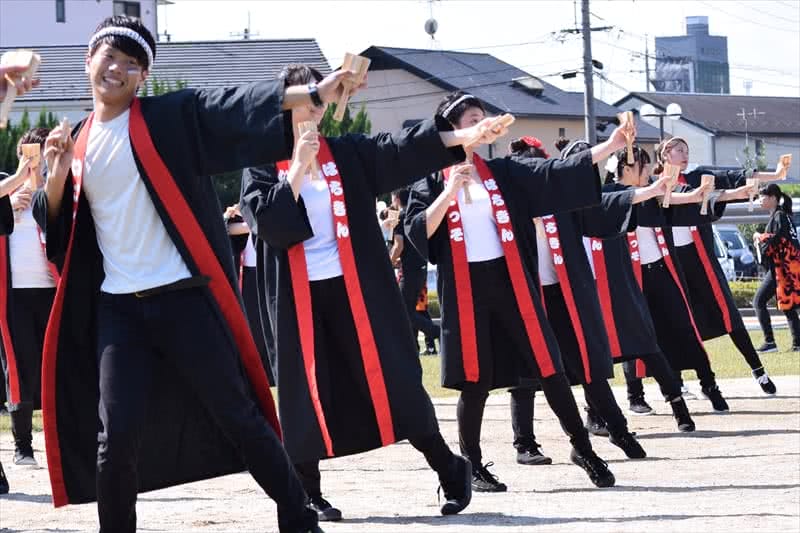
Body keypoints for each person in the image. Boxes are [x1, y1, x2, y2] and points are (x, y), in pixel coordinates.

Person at [31, 15, 364, 533]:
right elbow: (56, 228)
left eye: (132, 63)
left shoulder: (165, 118)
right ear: (88, 60)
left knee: (237, 415)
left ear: (143, 76)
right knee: (114, 438)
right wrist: (54, 180)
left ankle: (299, 519)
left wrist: (311, 91)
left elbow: (225, 108)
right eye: (109, 56)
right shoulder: (75, 140)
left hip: (182, 298)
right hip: (120, 307)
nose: (117, 69)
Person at [240, 65, 506, 520]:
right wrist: (299, 167)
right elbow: (267, 224)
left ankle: (449, 468)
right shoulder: (262, 163)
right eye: (300, 99)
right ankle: (308, 492)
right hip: (298, 299)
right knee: (306, 390)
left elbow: (402, 151)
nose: (309, 109)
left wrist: (464, 136)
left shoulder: (347, 154)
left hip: (357, 291)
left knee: (394, 378)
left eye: (316, 100)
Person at [405, 92, 629, 492]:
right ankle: (471, 464)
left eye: (484, 116)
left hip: (511, 283)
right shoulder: (430, 179)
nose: (483, 122)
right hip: (467, 289)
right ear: (454, 129)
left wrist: (609, 147)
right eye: (473, 118)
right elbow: (417, 231)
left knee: (550, 365)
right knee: (475, 380)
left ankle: (583, 448)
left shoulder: (503, 173)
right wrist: (449, 190)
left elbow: (554, 174)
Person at [505, 137, 678, 466]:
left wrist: (652, 191)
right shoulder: (508, 209)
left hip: (562, 294)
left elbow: (607, 206)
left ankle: (617, 428)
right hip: (528, 297)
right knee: (527, 374)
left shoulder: (561, 201)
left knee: (588, 364)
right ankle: (524, 443)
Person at [656, 136, 787, 394]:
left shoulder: (696, 177)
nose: (684, 154)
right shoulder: (655, 185)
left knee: (730, 314)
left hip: (700, 257)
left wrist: (773, 173)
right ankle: (682, 381)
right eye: (679, 150)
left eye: (687, 149)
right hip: (671, 263)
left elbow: (731, 176)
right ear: (665, 154)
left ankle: (758, 370)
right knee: (677, 321)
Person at [0, 128, 57, 467]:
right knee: (21, 368)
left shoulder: (55, 192)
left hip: (53, 291)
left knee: (58, 367)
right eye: (29, 155)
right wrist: (11, 204)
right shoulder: (7, 189)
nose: (34, 164)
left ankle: (62, 442)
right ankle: (23, 446)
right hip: (14, 295)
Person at [391, 188, 440, 353]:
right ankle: (413, 346)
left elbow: (399, 245)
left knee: (403, 311)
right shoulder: (415, 215)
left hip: (409, 272)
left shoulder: (400, 217)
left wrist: (388, 261)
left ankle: (436, 332)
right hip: (421, 268)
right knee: (411, 310)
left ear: (397, 199)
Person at [753, 183, 800, 351]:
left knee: (758, 301)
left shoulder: (779, 216)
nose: (759, 200)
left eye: (762, 197)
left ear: (773, 198)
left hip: (782, 268)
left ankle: (770, 342)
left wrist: (760, 236)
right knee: (789, 306)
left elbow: (778, 239)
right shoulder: (782, 215)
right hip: (788, 267)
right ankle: (797, 344)